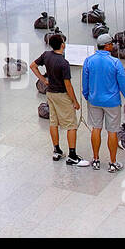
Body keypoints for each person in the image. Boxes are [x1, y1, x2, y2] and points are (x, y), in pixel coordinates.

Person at [30, 32, 89, 166]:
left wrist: (44, 80)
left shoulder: (46, 55)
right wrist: (74, 101)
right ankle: (72, 156)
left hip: (50, 93)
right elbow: (67, 84)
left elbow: (33, 66)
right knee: (71, 125)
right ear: (62, 45)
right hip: (62, 95)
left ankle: (57, 150)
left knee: (53, 122)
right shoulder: (64, 63)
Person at [81, 33, 125, 172]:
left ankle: (96, 160)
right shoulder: (115, 62)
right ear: (107, 46)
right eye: (111, 44)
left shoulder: (89, 61)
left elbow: (84, 82)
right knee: (112, 131)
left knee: (96, 129)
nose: (113, 46)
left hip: (94, 100)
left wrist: (87, 95)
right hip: (112, 103)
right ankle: (112, 163)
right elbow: (123, 84)